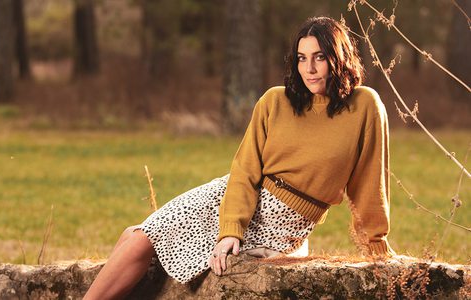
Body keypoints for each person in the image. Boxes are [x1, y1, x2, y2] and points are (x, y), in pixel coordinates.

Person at [84, 16, 396, 299]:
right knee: (134, 237)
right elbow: (245, 171)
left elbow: (370, 186)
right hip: (236, 201)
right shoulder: (276, 101)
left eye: (319, 58)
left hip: (284, 227)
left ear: (339, 58)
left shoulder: (365, 105)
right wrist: (230, 231)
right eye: (302, 58)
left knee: (137, 240)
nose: (309, 69)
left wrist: (377, 250)